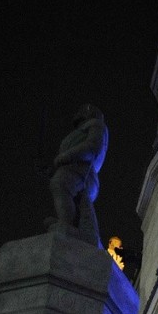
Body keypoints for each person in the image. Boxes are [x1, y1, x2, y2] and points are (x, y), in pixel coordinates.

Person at [47, 104, 108, 244]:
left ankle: (66, 224)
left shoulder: (96, 125)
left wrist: (66, 156)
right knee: (68, 194)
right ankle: (70, 225)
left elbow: (93, 147)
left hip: (83, 172)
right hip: (73, 170)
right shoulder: (78, 132)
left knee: (60, 184)